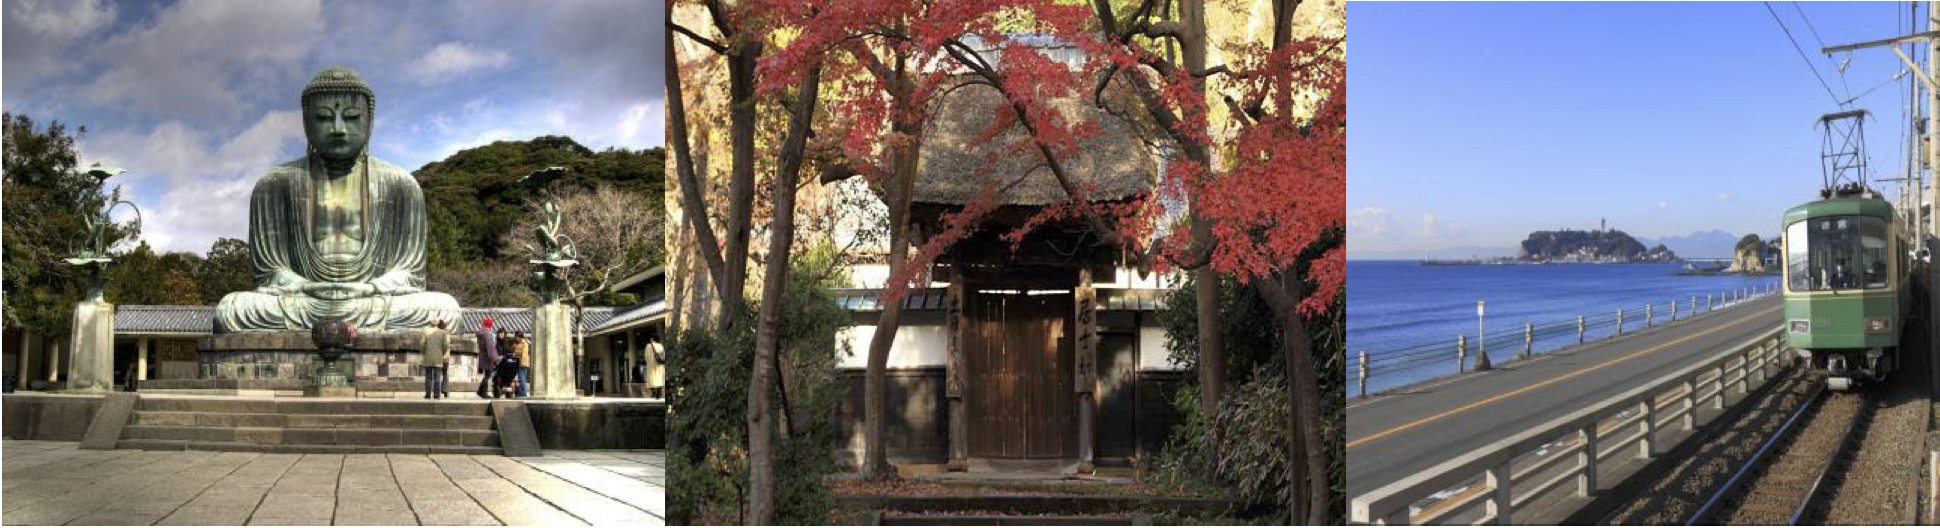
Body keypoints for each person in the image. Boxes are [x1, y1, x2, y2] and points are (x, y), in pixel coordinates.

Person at [422, 319, 450, 399]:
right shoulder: (443, 333)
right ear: (437, 323)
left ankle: (428, 394)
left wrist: (424, 353)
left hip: (428, 357)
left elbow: (422, 344)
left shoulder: (425, 332)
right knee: (437, 377)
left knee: (428, 377)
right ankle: (436, 395)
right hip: (439, 357)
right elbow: (446, 345)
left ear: (430, 323)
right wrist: (442, 353)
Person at [475, 317, 499, 398]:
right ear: (490, 326)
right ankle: (483, 392)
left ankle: (480, 391)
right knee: (488, 375)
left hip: (483, 356)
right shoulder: (487, 334)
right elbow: (490, 347)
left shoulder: (481, 334)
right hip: (488, 357)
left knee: (487, 374)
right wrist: (494, 358)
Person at [512, 331, 531, 397]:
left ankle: (523, 393)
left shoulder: (524, 343)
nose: (517, 338)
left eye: (518, 337)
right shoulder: (516, 343)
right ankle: (521, 392)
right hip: (517, 362)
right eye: (516, 336)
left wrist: (516, 353)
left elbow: (524, 353)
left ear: (521, 337)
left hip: (523, 363)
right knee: (520, 378)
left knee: (522, 378)